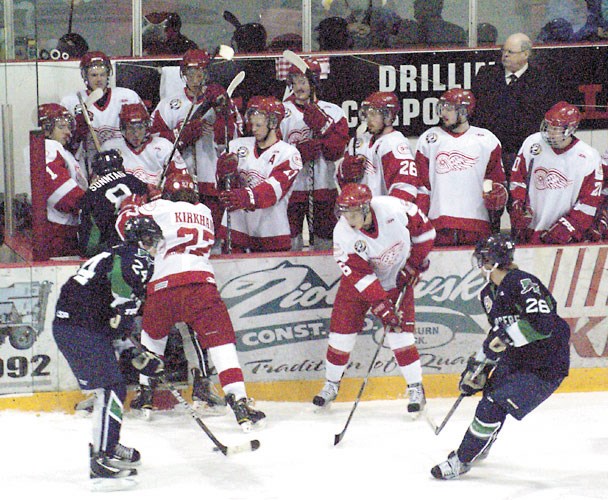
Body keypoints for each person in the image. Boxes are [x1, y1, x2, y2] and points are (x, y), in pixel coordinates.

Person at [116, 171, 265, 432]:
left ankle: (146, 394)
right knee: (221, 344)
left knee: (153, 338)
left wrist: (130, 206)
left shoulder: (160, 206)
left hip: (164, 284)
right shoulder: (205, 211)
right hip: (201, 284)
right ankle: (239, 401)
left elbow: (125, 229)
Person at [431, 233, 570, 479]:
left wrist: (506, 338)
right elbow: (497, 335)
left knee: (493, 405)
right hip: (517, 358)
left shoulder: (522, 283)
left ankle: (462, 460)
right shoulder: (488, 294)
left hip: (546, 364)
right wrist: (478, 369)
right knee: (490, 396)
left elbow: (544, 324)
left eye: (482, 258)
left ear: (490, 261)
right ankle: (480, 446)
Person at [52, 216, 164, 489]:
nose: (155, 250)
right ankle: (103, 456)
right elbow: (120, 303)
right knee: (110, 389)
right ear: (145, 240)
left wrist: (132, 353)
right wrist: (127, 333)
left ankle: (108, 446)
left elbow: (109, 318)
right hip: (80, 328)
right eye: (154, 243)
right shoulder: (136, 258)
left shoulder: (114, 253)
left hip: (79, 325)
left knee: (112, 388)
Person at [313, 183, 435, 414]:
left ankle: (416, 388)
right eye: (344, 213)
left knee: (401, 336)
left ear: (367, 208)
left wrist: (414, 264)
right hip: (356, 287)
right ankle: (331, 384)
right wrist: (382, 306)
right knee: (340, 336)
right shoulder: (343, 234)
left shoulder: (394, 208)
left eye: (353, 213)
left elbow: (426, 232)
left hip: (398, 279)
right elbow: (360, 275)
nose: (348, 218)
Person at [150, 49, 240, 243]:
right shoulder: (168, 105)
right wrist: (182, 136)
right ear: (183, 74)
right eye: (190, 72)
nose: (195, 77)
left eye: (200, 72)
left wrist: (222, 114)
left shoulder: (221, 101)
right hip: (179, 182)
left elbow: (232, 139)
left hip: (212, 178)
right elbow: (155, 141)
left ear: (207, 74)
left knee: (213, 235)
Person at [415, 88, 507, 245]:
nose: (443, 113)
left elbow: (494, 180)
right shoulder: (429, 139)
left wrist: (496, 196)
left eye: (449, 108)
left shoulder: (486, 139)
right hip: (439, 224)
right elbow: (421, 185)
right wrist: (420, 223)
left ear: (464, 111)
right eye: (442, 107)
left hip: (477, 223)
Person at [471, 33, 561, 186]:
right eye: (504, 51)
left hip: (523, 151)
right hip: (490, 152)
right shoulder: (486, 74)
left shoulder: (542, 80)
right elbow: (476, 112)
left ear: (525, 54)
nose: (505, 55)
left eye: (510, 52)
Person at [215, 96, 302, 253]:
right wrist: (223, 176)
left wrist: (245, 197)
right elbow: (224, 189)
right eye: (252, 124)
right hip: (236, 229)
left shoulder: (289, 154)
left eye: (259, 125)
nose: (253, 129)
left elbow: (274, 190)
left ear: (273, 124)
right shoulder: (236, 146)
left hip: (271, 232)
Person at [509, 101, 603, 244]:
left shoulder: (588, 156)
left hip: (563, 237)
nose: (550, 132)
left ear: (571, 129)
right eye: (549, 126)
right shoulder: (532, 142)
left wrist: (568, 227)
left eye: (556, 128)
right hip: (528, 230)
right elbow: (518, 179)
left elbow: (589, 201)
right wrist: (518, 203)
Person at [280, 58, 349, 250]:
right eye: (295, 81)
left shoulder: (333, 112)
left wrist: (324, 128)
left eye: (303, 81)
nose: (299, 86)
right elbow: (272, 152)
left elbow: (337, 151)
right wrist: (297, 155)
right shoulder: (281, 111)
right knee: (289, 242)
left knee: (326, 242)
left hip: (323, 188)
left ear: (314, 82)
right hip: (290, 190)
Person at [61, 51, 144, 176]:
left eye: (102, 74)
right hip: (90, 167)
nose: (99, 79)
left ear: (108, 75)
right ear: (85, 76)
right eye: (94, 75)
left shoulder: (127, 97)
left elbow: (145, 131)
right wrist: (79, 129)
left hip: (127, 164)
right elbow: (66, 144)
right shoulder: (71, 102)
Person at [337, 92, 419, 203]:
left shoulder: (395, 144)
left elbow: (405, 188)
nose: (369, 119)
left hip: (382, 215)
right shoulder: (357, 142)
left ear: (388, 116)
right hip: (359, 214)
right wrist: (344, 171)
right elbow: (343, 183)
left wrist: (386, 213)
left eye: (374, 114)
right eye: (367, 113)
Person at [37, 103, 88, 257]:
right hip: (57, 233)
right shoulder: (48, 147)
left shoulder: (63, 151)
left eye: (68, 127)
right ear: (46, 129)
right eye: (61, 127)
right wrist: (90, 204)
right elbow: (60, 192)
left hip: (67, 230)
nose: (68, 132)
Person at [78, 149, 149, 257]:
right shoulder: (136, 181)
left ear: (96, 173)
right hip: (146, 246)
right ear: (121, 167)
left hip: (115, 252)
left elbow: (89, 246)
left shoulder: (91, 194)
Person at [102, 103, 188, 187]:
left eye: (140, 128)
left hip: (159, 200)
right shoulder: (110, 149)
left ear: (146, 126)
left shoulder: (164, 146)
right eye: (131, 128)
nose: (136, 134)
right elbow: (99, 183)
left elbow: (181, 178)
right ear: (123, 128)